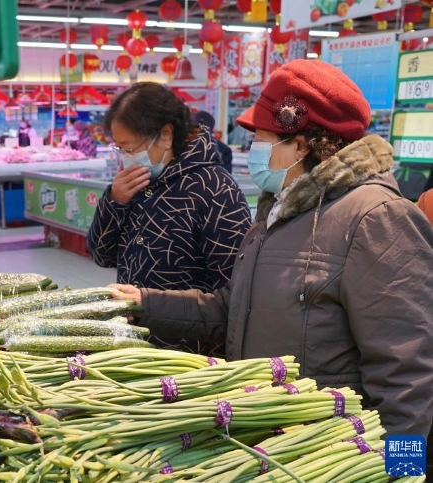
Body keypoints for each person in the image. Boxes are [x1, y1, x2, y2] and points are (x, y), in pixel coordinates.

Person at [109, 61, 433, 458]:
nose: (251, 153)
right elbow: (232, 311)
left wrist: (401, 465)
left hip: (329, 452)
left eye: (260, 139)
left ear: (301, 144)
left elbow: (408, 368)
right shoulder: (279, 214)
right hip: (269, 443)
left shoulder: (376, 218)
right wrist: (142, 303)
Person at [87, 82, 252, 354]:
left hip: (189, 354)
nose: (125, 158)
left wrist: (151, 305)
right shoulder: (138, 183)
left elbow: (233, 296)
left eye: (129, 148)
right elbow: (102, 255)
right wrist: (114, 202)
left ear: (165, 135)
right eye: (119, 149)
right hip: (137, 344)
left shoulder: (215, 189)